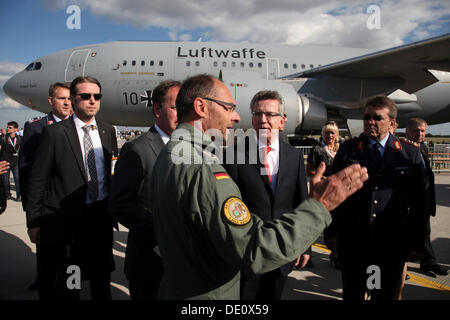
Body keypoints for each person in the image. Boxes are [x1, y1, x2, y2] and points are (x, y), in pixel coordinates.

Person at [150, 74, 368, 300]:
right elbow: (252, 250)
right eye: (228, 107)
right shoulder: (205, 166)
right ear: (201, 107)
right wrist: (319, 208)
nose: (236, 117)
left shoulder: (171, 154)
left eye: (270, 114)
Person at [25, 76, 118, 300]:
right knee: (72, 280)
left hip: (100, 219)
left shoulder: (107, 131)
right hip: (70, 224)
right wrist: (34, 220)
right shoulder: (56, 133)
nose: (92, 101)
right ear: (74, 100)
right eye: (85, 96)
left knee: (101, 277)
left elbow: (111, 172)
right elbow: (38, 180)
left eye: (97, 96)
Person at [329, 95, 427, 301]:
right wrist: (331, 233)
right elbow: (333, 194)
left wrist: (418, 243)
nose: (370, 122)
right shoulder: (349, 149)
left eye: (377, 117)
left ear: (391, 122)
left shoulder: (409, 154)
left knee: (384, 295)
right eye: (367, 117)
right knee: (354, 294)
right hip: (354, 242)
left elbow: (419, 204)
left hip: (390, 243)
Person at [224, 90, 310, 300]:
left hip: (282, 252)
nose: (263, 120)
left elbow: (301, 203)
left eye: (270, 115)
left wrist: (305, 245)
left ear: (282, 121)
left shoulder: (294, 156)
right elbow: (229, 205)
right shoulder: (233, 155)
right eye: (257, 114)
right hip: (247, 253)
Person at [109, 80, 181, 300]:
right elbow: (120, 205)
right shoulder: (137, 149)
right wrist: (163, 225)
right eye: (176, 107)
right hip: (151, 262)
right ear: (158, 109)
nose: (183, 113)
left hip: (186, 266)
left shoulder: (194, 147)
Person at [18, 82, 72, 291]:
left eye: (69, 98)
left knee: (70, 261)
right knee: (46, 257)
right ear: (51, 101)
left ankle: (70, 288)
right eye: (61, 98)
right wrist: (31, 213)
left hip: (70, 207)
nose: (67, 103)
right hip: (46, 208)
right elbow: (26, 172)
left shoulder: (79, 126)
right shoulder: (36, 128)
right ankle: (44, 283)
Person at [405, 118, 447, 276]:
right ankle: (400, 267)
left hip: (423, 200)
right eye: (416, 130)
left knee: (424, 231)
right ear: (407, 131)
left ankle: (428, 262)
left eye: (422, 131)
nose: (420, 134)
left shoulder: (423, 148)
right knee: (405, 233)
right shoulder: (401, 148)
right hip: (409, 201)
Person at [307, 121, 340, 268]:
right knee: (319, 223)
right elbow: (310, 171)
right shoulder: (317, 150)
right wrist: (324, 178)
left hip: (338, 191)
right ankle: (307, 253)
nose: (330, 136)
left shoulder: (341, 149)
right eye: (327, 133)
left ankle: (336, 253)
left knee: (337, 223)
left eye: (332, 133)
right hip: (322, 190)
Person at [0, 121, 21, 201]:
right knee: (5, 180)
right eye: (8, 127)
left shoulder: (19, 138)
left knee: (17, 179)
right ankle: (7, 194)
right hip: (5, 161)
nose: (8, 129)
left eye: (10, 128)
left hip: (15, 161)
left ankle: (19, 195)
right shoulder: (3, 138)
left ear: (15, 129)